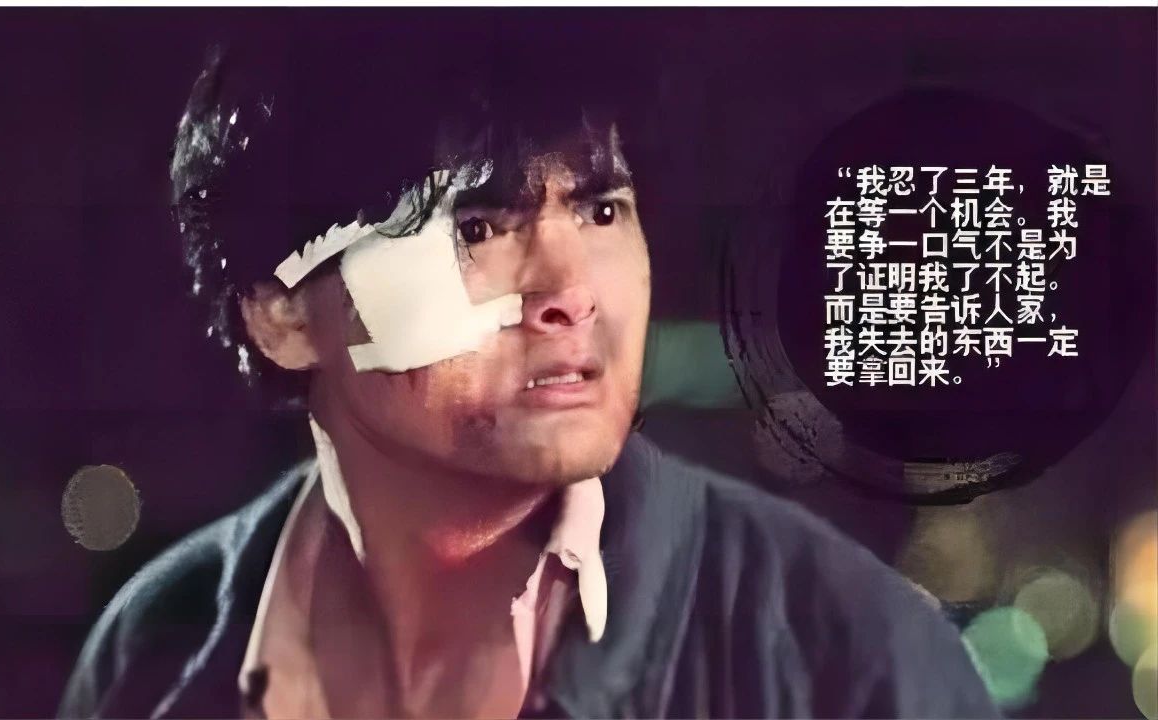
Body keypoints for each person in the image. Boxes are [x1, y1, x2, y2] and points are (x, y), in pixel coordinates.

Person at [60, 22, 999, 720]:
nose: (571, 292)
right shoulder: (157, 649)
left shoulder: (847, 657)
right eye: (477, 227)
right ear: (283, 315)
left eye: (601, 211)